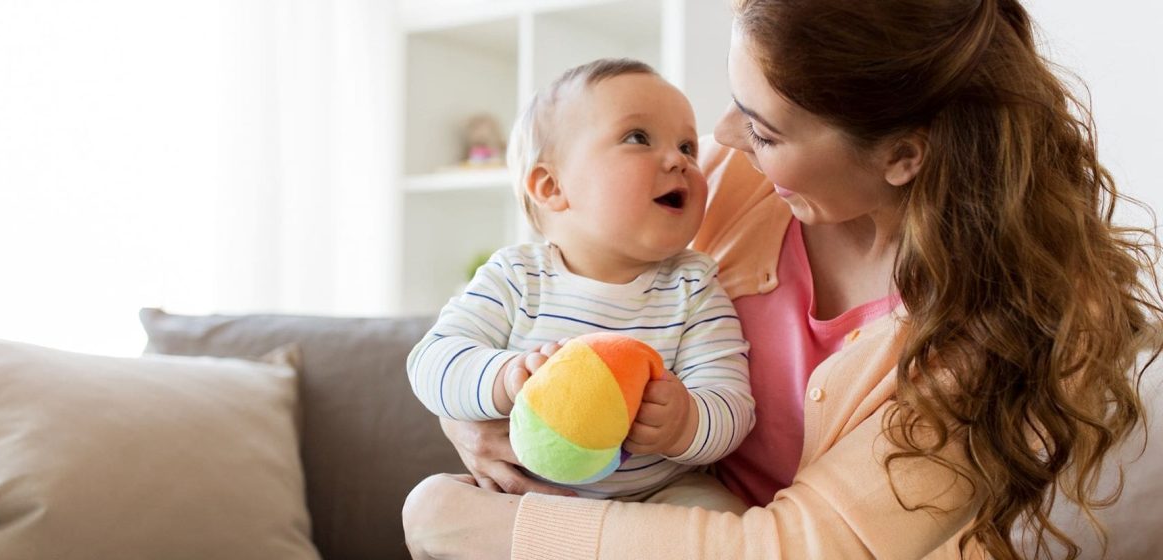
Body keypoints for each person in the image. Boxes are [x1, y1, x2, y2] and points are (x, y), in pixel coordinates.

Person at [402, 0, 1163, 558]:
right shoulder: (738, 183)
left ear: (904, 155)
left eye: (763, 129)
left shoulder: (1011, 325)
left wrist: (471, 522)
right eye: (736, 109)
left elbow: (800, 548)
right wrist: (480, 415)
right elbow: (547, 304)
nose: (722, 142)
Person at [406, 59, 754, 510]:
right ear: (551, 187)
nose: (679, 161)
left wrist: (686, 421)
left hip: (653, 497)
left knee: (722, 514)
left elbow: (732, 403)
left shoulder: (695, 287)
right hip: (525, 493)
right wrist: (506, 377)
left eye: (688, 146)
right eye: (638, 138)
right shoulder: (515, 276)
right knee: (431, 503)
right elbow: (431, 361)